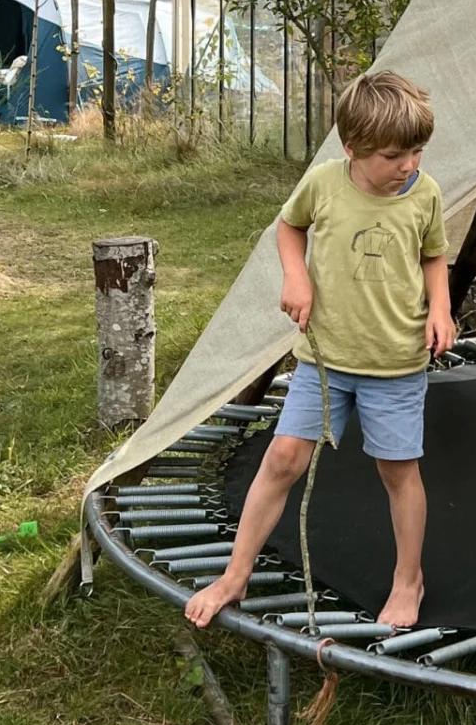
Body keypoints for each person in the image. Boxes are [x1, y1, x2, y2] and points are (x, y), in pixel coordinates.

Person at [184, 70, 455, 632]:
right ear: (352, 148)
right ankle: (235, 574)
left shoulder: (424, 193)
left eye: (417, 152)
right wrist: (296, 276)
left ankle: (409, 580)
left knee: (397, 471)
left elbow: (433, 256)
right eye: (393, 156)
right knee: (284, 457)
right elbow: (289, 227)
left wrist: (441, 309)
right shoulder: (324, 184)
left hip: (394, 363)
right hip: (325, 359)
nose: (408, 165)